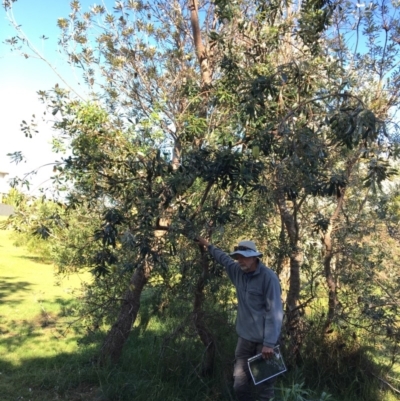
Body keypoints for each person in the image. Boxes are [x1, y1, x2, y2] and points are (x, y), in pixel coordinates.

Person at [196, 237, 283, 401]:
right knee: (239, 384)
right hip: (245, 339)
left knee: (265, 387)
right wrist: (208, 245)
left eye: (244, 257)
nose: (240, 260)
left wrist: (269, 343)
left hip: (265, 343)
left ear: (254, 257)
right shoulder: (237, 271)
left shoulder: (269, 278)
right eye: (238, 257)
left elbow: (275, 311)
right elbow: (222, 258)